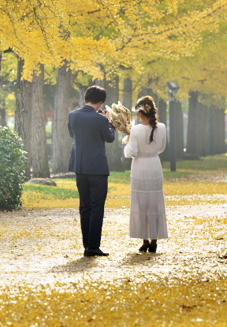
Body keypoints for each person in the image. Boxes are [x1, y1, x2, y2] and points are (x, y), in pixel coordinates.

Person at [68, 85, 116, 257]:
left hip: (79, 166)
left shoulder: (73, 115)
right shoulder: (100, 119)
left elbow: (72, 134)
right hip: (97, 167)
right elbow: (110, 138)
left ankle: (86, 244)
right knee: (97, 207)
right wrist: (109, 121)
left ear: (86, 97)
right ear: (101, 101)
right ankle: (94, 247)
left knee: (85, 206)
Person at [124, 96, 168, 252]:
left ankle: (145, 240)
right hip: (154, 164)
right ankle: (154, 239)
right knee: (155, 202)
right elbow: (161, 148)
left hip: (140, 166)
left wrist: (127, 143)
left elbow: (132, 152)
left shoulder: (135, 129)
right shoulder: (161, 127)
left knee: (141, 203)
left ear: (140, 114)